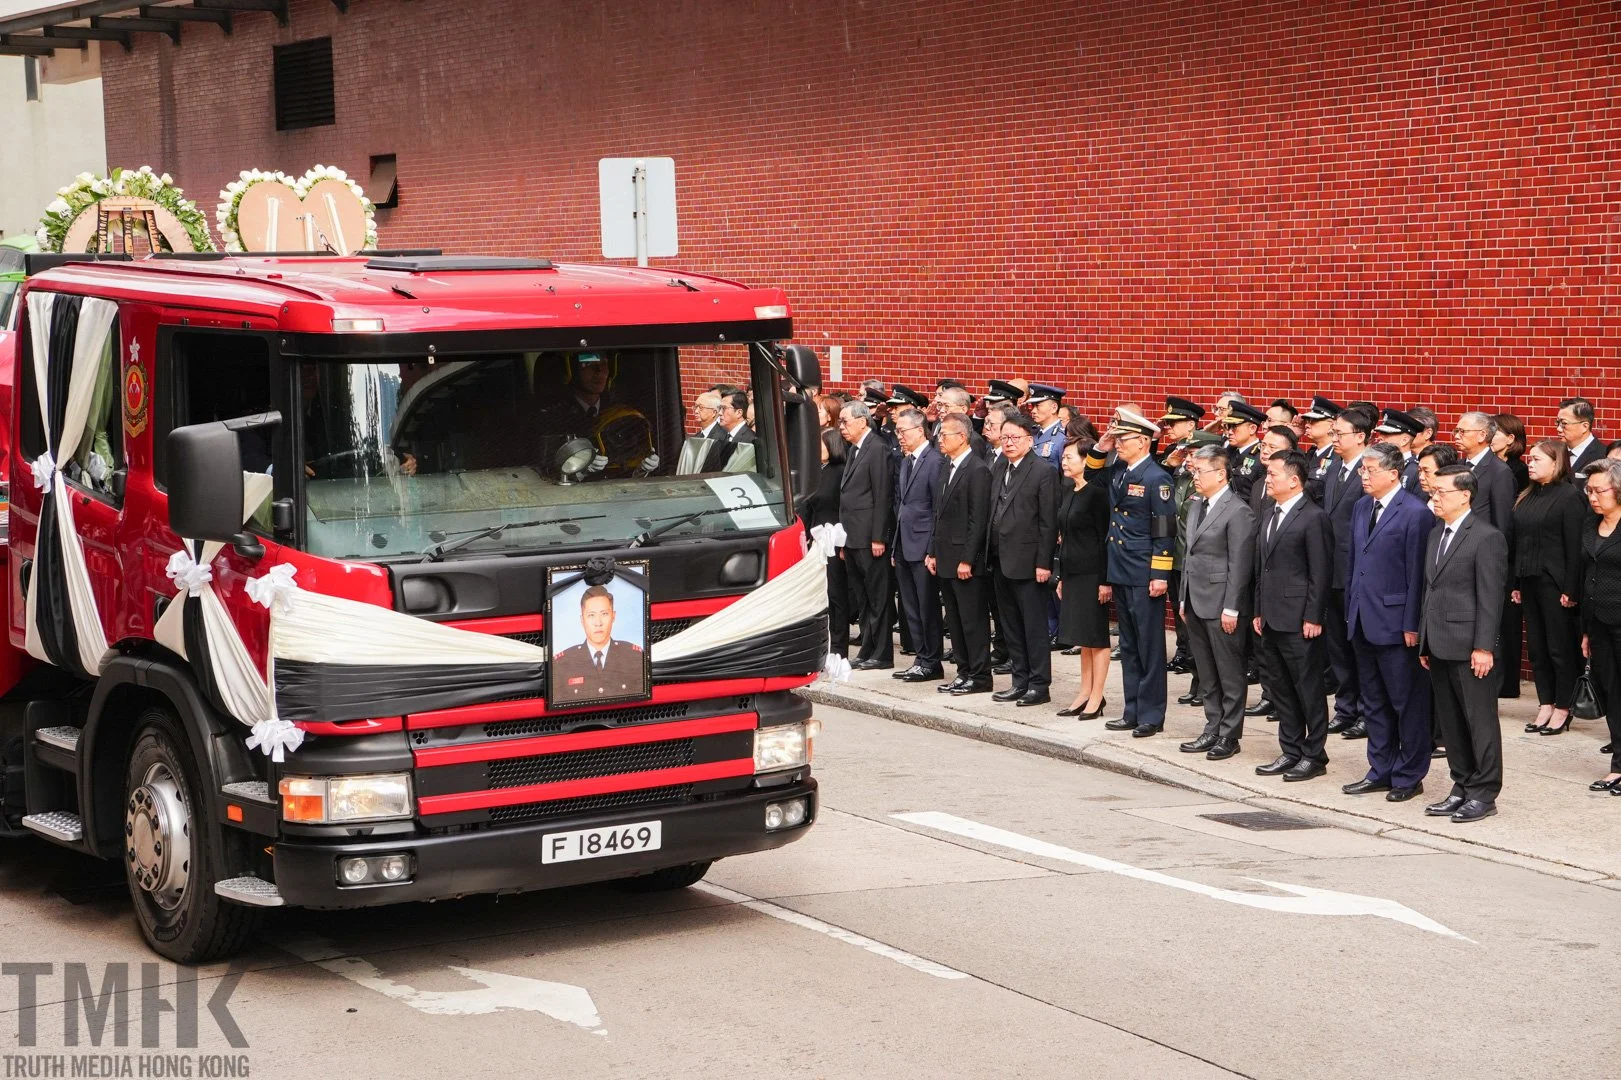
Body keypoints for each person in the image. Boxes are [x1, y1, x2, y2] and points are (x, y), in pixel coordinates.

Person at [1341, 443, 1435, 802]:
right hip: (1364, 619)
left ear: (1393, 474)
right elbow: (1355, 564)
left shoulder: (1414, 513)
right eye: (1362, 470)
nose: (1363, 476)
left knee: (1406, 703)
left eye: (1370, 470)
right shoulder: (1363, 506)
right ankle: (1380, 768)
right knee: (1374, 702)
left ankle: (1409, 774)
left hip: (1396, 624)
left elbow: (1416, 574)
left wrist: (1412, 624)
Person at [1419, 463, 1509, 823]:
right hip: (1439, 642)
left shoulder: (1486, 537)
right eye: (1433, 491)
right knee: (1452, 721)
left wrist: (1484, 647)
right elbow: (1432, 590)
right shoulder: (1436, 533)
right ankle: (1462, 784)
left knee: (1478, 720)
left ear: (1465, 495)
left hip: (1470, 645)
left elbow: (1490, 597)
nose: (1434, 497)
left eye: (1442, 492)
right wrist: (1425, 639)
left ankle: (1484, 792)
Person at [1091, 409, 1175, 737]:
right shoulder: (1120, 472)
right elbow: (1092, 475)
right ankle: (1132, 709)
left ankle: (1152, 715)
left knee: (1149, 646)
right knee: (1128, 644)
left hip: (1144, 572)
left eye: (1123, 439)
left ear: (1143, 442)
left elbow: (1165, 531)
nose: (1119, 444)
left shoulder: (1157, 478)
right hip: (1121, 569)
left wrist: (1160, 574)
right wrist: (1102, 445)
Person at [1252, 450, 1335, 781]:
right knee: (1280, 687)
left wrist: (1313, 616)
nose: (1267, 479)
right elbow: (1263, 568)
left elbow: (1320, 571)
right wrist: (1258, 609)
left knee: (1307, 687)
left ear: (1294, 480)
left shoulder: (1313, 517)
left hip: (1299, 617)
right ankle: (1291, 748)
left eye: (1273, 474)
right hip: (1271, 615)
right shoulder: (1271, 513)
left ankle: (1314, 754)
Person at [1177, 445, 1256, 760]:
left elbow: (1239, 565)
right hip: (1195, 600)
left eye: (1200, 471)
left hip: (1221, 603)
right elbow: (1189, 555)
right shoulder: (1197, 505)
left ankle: (1230, 735)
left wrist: (1231, 607)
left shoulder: (1238, 511)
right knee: (1207, 672)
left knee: (1229, 673)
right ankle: (1211, 728)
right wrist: (1182, 597)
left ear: (1221, 474)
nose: (1194, 476)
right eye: (1193, 471)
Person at [1513, 439, 1586, 735]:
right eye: (1529, 459)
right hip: (1529, 581)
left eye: (1537, 459)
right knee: (1538, 648)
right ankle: (1545, 702)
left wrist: (1571, 589)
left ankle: (1563, 707)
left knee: (1559, 648)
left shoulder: (1569, 497)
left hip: (1555, 584)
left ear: (1556, 464)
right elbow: (1519, 543)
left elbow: (1574, 548)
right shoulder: (1528, 495)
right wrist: (1516, 582)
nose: (1530, 463)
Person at [987, 415, 1060, 706]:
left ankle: (1039, 684)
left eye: (1014, 438)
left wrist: (1045, 563)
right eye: (1004, 437)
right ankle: (1020, 680)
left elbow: (1048, 522)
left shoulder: (1042, 471)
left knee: (1033, 626)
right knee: (1011, 625)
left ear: (1029, 441)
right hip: (1000, 560)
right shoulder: (999, 467)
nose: (1008, 443)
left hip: (1029, 563)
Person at [928, 414, 993, 696]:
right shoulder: (946, 467)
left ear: (962, 437)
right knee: (954, 619)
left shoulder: (977, 470)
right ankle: (964, 671)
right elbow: (938, 514)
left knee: (972, 619)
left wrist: (968, 558)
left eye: (945, 435)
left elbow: (977, 519)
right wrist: (932, 551)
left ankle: (980, 675)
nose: (940, 439)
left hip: (965, 559)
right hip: (944, 554)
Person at [1321, 406, 1372, 740]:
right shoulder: (1334, 467)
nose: (1334, 438)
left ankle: (1367, 711)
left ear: (1360, 436)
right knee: (1338, 645)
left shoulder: (1371, 469)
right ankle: (1346, 706)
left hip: (1356, 572)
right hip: (1330, 570)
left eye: (1339, 433)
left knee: (1360, 648)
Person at [1054, 436, 1112, 717]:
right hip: (1073, 573)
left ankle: (1097, 696)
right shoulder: (1069, 489)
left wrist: (1104, 580)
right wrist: (1062, 576)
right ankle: (1084, 692)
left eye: (1069, 457)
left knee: (1096, 638)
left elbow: (1104, 539)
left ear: (1085, 460)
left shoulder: (1097, 494)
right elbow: (1066, 538)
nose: (1064, 461)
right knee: (1083, 638)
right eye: (1063, 457)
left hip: (1093, 575)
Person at [837, 401, 896, 671]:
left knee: (877, 596)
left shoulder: (877, 449)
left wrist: (878, 537)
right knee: (863, 597)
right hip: (852, 537)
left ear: (862, 421)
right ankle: (868, 648)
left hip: (869, 537)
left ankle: (882, 652)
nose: (841, 427)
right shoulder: (855, 449)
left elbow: (882, 495)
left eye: (845, 421)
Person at [891, 407, 946, 683]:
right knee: (910, 606)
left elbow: (938, 509)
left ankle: (932, 660)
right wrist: (894, 546)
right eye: (897, 431)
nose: (899, 436)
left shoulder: (934, 461)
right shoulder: (906, 461)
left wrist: (932, 549)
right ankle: (921, 658)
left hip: (923, 545)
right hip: (903, 543)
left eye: (903, 431)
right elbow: (901, 505)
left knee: (927, 607)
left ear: (919, 430)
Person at [1158, 397, 1208, 679]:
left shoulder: (1205, 474)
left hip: (1194, 556)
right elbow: (1163, 500)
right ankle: (1183, 652)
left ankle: (1195, 664)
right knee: (1178, 608)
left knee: (1193, 613)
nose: (1187, 458)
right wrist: (1168, 464)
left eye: (1174, 423)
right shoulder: (1175, 466)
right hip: (1175, 553)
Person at [1580, 459, 1621, 794]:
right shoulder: (1590, 524)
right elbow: (1586, 576)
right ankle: (1619, 765)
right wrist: (1585, 631)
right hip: (1598, 623)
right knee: (1610, 692)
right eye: (1588, 489)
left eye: (1599, 490)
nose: (1592, 496)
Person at [803, 428, 850, 660]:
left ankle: (839, 645)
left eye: (819, 445)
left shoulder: (840, 471)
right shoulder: (816, 472)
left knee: (836, 592)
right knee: (820, 592)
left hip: (834, 537)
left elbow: (843, 506)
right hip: (817, 538)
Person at [551, 585, 645, 702]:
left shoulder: (634, 657)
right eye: (591, 615)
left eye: (604, 614)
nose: (598, 623)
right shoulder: (562, 664)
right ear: (582, 620)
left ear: (613, 616)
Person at [1221, 401, 1266, 502]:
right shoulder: (1228, 452)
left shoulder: (1262, 456)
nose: (1229, 432)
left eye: (1234, 427)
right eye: (1228, 426)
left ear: (1252, 429)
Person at [1373, 408, 1425, 495]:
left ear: (1404, 440)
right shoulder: (1381, 465)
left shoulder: (1415, 471)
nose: (1380, 437)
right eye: (1380, 433)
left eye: (1386, 434)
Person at [1559, 396, 1605, 487]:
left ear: (1584, 426)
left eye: (1564, 424)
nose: (1559, 429)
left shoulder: (1603, 456)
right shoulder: (1557, 453)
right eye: (1557, 422)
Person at [1301, 396, 1342, 479]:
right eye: (1307, 421)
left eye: (1313, 420)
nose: (1306, 425)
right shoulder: (1311, 454)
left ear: (1332, 426)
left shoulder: (1338, 457)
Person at [1027, 384, 1067, 467]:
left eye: (1038, 406)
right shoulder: (1031, 432)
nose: (1033, 411)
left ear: (1054, 408)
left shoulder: (1063, 437)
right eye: (1033, 406)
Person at [1492, 412, 1529, 493]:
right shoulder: (1487, 463)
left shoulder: (1520, 470)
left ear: (1510, 438)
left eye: (1494, 434)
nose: (1488, 438)